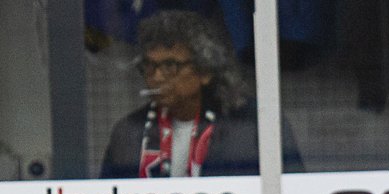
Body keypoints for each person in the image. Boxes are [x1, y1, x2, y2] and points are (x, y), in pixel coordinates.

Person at [98, 10, 302, 178]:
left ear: (204, 71)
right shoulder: (129, 131)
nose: (157, 77)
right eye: (149, 66)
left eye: (170, 66)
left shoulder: (254, 125)